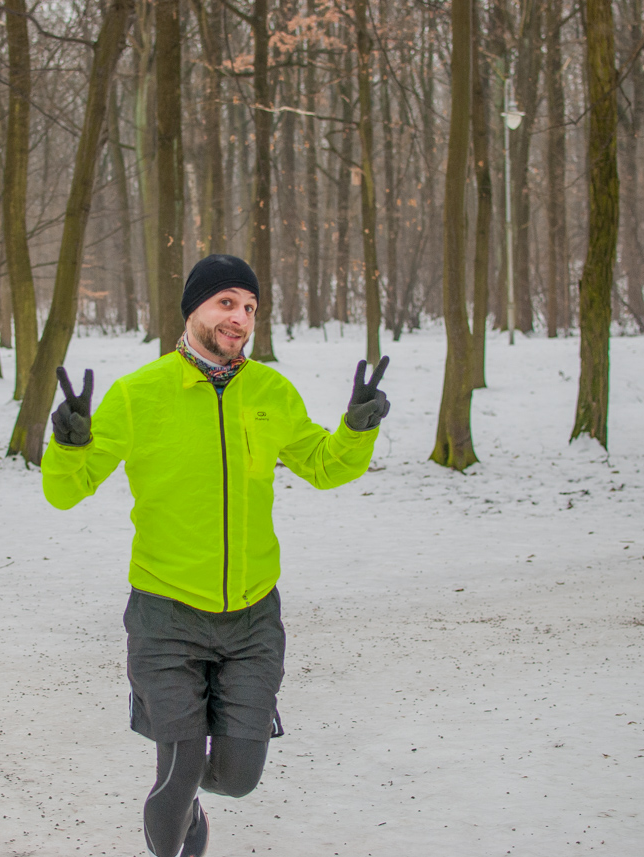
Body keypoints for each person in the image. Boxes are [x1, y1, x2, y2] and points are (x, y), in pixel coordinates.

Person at [40, 255, 389, 857]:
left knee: (239, 777)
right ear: (194, 309)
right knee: (176, 771)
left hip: (253, 618)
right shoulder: (140, 394)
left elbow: (325, 466)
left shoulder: (271, 392)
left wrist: (355, 429)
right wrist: (69, 445)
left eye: (250, 307)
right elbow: (65, 492)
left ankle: (193, 792)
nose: (241, 318)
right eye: (227, 302)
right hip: (165, 613)